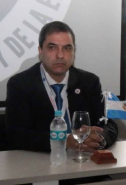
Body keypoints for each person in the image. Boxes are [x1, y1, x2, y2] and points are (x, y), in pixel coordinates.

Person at [6, 21, 118, 152]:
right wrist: (65, 141)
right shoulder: (21, 84)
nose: (60, 55)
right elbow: (16, 135)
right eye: (52, 47)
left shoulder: (89, 82)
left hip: (84, 161)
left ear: (74, 52)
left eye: (67, 48)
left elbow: (108, 124)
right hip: (39, 161)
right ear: (40, 51)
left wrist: (98, 138)